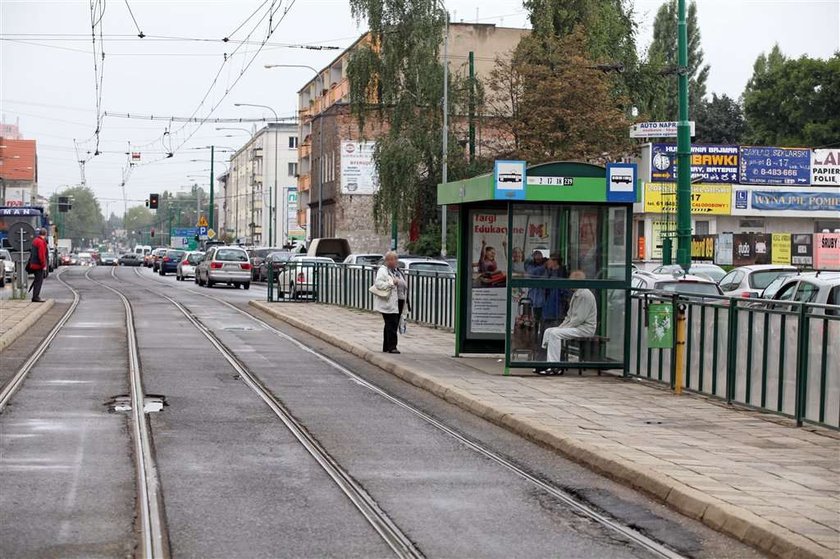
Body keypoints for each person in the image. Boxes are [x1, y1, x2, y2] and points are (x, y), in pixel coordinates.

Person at [541, 270, 598, 366]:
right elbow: (569, 316)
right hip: (576, 326)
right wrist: (561, 326)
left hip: (585, 328)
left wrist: (564, 328)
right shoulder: (576, 294)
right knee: (549, 331)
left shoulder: (584, 295)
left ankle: (553, 364)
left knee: (555, 334)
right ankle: (546, 361)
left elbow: (579, 319)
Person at [372, 251, 407, 354]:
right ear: (387, 261)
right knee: (392, 323)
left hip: (398, 301)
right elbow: (378, 283)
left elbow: (403, 283)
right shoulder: (383, 271)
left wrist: (400, 282)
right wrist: (392, 283)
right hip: (388, 302)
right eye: (393, 259)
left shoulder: (396, 270)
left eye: (396, 259)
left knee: (390, 324)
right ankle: (392, 347)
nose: (395, 261)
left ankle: (386, 346)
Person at [29, 228, 48, 303]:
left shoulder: (35, 240)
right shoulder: (41, 242)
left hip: (34, 264)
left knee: (36, 280)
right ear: (45, 234)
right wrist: (44, 265)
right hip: (38, 265)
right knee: (38, 281)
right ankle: (35, 297)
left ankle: (35, 296)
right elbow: (41, 255)